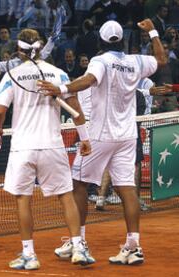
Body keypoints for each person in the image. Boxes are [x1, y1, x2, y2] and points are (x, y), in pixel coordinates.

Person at [39, 19, 167, 265]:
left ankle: (79, 241)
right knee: (127, 189)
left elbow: (87, 81)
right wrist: (152, 31)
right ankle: (133, 247)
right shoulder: (136, 61)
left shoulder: (101, 61)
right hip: (127, 135)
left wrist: (61, 89)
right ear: (123, 40)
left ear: (100, 41)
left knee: (77, 184)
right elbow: (161, 60)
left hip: (100, 135)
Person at [0, 28, 94, 270]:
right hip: (52, 145)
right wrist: (85, 138)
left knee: (23, 200)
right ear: (40, 47)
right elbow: (75, 106)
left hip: (23, 147)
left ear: (19, 49)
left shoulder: (12, 75)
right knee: (66, 196)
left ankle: (29, 254)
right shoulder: (58, 73)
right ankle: (78, 246)